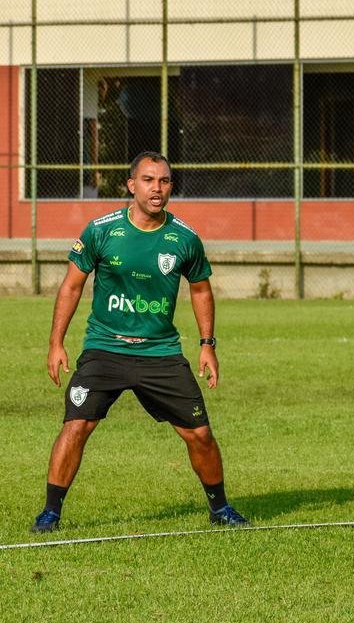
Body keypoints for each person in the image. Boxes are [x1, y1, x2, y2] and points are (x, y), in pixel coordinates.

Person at [31, 151, 248, 533]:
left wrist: (207, 344)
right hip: (105, 349)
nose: (157, 188)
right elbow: (72, 286)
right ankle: (50, 513)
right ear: (131, 185)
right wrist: (56, 342)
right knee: (76, 425)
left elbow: (200, 290)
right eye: (148, 180)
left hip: (159, 352)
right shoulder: (100, 230)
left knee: (198, 433)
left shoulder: (184, 238)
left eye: (164, 181)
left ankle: (220, 509)